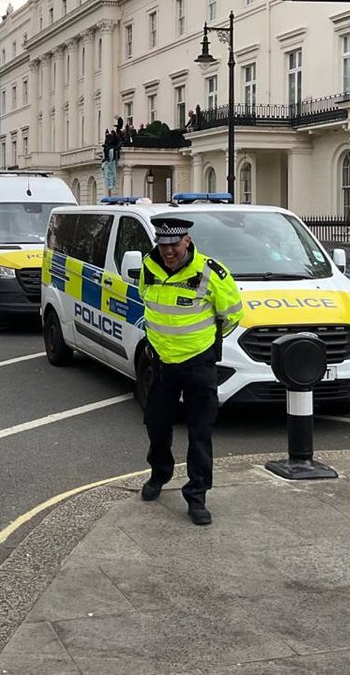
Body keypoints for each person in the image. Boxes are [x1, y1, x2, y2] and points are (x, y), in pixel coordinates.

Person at [138, 216, 243, 526]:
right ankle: (159, 474)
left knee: (199, 433)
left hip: (198, 364)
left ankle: (197, 496)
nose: (168, 251)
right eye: (163, 244)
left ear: (187, 241)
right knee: (156, 425)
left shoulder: (210, 271)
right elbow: (147, 298)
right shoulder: (149, 266)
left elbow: (233, 313)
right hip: (161, 362)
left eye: (174, 244)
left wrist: (205, 343)